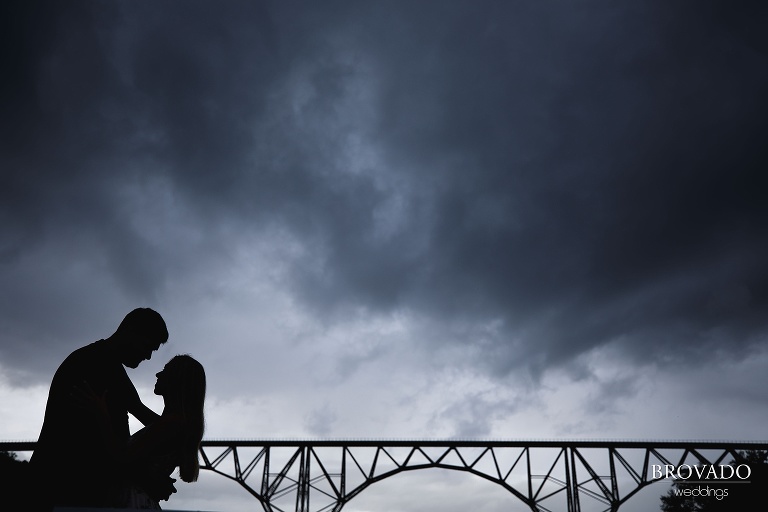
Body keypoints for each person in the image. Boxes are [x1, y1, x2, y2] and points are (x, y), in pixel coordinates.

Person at [29, 307, 169, 511]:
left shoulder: (97, 361)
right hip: (70, 489)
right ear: (131, 331)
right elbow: (94, 443)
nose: (148, 356)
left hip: (61, 486)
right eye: (147, 346)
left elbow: (138, 413)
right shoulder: (99, 366)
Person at [109, 354, 206, 509]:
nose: (158, 374)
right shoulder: (174, 424)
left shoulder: (170, 424)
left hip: (131, 503)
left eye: (165, 371)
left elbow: (121, 458)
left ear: (176, 381)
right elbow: (137, 407)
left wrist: (99, 414)